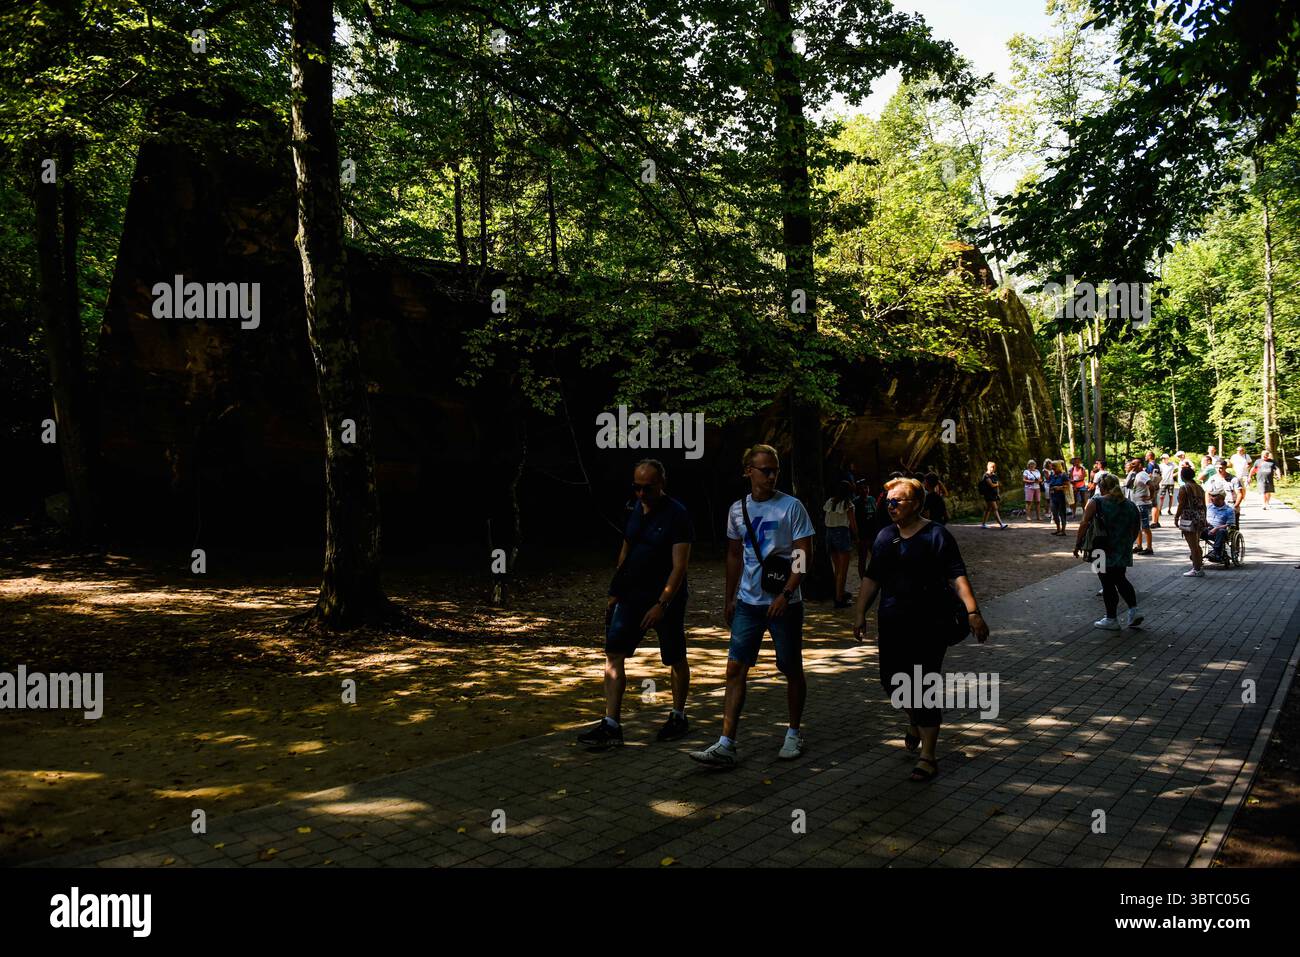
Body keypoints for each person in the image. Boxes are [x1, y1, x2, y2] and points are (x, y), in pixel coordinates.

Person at [852, 477, 989, 782]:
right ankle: (914, 718)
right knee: (891, 681)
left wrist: (973, 612)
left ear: (916, 504)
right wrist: (860, 613)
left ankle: (928, 755)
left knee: (922, 684)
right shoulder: (885, 536)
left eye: (897, 501)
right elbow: (872, 577)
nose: (890, 506)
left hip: (930, 624)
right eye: (887, 501)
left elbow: (957, 575)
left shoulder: (937, 535)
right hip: (892, 622)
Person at [689, 445, 814, 767]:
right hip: (748, 603)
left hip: (784, 603)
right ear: (749, 471)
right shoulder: (736, 510)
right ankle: (726, 743)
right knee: (735, 669)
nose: (771, 476)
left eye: (775, 470)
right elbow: (733, 555)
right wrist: (729, 597)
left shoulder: (792, 507)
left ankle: (793, 733)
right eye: (765, 470)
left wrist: (786, 594)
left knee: (790, 668)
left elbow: (803, 554)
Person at [578, 459, 694, 749]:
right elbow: (626, 548)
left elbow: (679, 567)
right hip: (631, 595)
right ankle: (612, 725)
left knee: (674, 656)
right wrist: (615, 590)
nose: (641, 493)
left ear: (661, 484)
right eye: (637, 487)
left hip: (665, 599)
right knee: (614, 653)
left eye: (647, 488)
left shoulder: (677, 515)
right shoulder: (632, 508)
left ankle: (678, 715)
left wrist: (662, 604)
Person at [1074, 472, 1142, 630]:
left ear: (1101, 487)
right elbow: (1136, 528)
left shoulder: (1095, 502)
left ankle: (1111, 619)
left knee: (1106, 583)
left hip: (1099, 547)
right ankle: (1134, 610)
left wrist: (1077, 545)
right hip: (1121, 548)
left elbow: (1084, 524)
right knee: (1121, 578)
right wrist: (1126, 543)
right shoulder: (1130, 504)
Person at [824, 480, 858, 608]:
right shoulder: (848, 504)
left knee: (837, 568)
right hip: (842, 534)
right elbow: (853, 524)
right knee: (843, 570)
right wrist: (857, 537)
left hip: (829, 534)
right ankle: (839, 599)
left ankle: (839, 592)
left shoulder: (829, 502)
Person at [1174, 464, 1208, 577]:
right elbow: (1204, 505)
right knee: (1196, 544)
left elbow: (1181, 504)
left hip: (1189, 518)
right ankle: (1199, 566)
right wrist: (1205, 518)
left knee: (1193, 546)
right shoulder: (1199, 488)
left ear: (1182, 476)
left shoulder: (1185, 488)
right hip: (1200, 516)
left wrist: (1176, 517)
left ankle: (1197, 569)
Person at [1123, 457, 1155, 555]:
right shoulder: (1137, 474)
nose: (1131, 465)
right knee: (1137, 527)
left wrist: (1150, 497)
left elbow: (1152, 485)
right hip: (1137, 504)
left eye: (1133, 464)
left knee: (1145, 527)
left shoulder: (1142, 474)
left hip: (1142, 505)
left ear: (1140, 465)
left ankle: (1149, 548)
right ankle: (1139, 546)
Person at [1204, 489, 1237, 563]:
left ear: (1221, 499)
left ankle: (1216, 553)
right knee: (1196, 530)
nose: (1211, 499)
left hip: (1221, 531)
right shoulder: (1208, 507)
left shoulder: (1229, 510)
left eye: (1214, 497)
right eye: (1211, 497)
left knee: (1221, 531)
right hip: (1207, 529)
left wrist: (1216, 528)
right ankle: (1196, 553)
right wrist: (1205, 522)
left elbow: (1230, 524)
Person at [978, 462, 1008, 529]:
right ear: (988, 467)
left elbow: (996, 486)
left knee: (988, 509)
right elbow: (991, 485)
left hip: (994, 494)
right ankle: (1001, 524)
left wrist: (998, 494)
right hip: (988, 495)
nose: (993, 468)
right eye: (992, 467)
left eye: (994, 467)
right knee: (995, 508)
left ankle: (983, 524)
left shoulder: (994, 475)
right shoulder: (986, 475)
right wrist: (997, 484)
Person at [1046, 461, 1070, 534]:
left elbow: (1067, 486)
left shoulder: (1063, 475)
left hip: (1061, 496)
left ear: (1058, 466)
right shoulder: (1052, 475)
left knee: (1062, 513)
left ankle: (1063, 530)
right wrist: (1051, 490)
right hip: (1053, 497)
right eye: (1052, 466)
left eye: (1054, 466)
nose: (1052, 468)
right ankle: (1058, 529)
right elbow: (1050, 484)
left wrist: (1059, 487)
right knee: (1054, 513)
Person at [1156, 453, 1178, 523]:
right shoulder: (1160, 465)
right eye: (1163, 458)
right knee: (1162, 497)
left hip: (1171, 482)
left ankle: (1169, 510)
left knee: (1171, 496)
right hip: (1163, 483)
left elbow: (1179, 469)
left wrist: (1173, 475)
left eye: (1165, 458)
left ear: (1167, 458)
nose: (1163, 460)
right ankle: (1160, 510)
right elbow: (1158, 474)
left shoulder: (1172, 464)